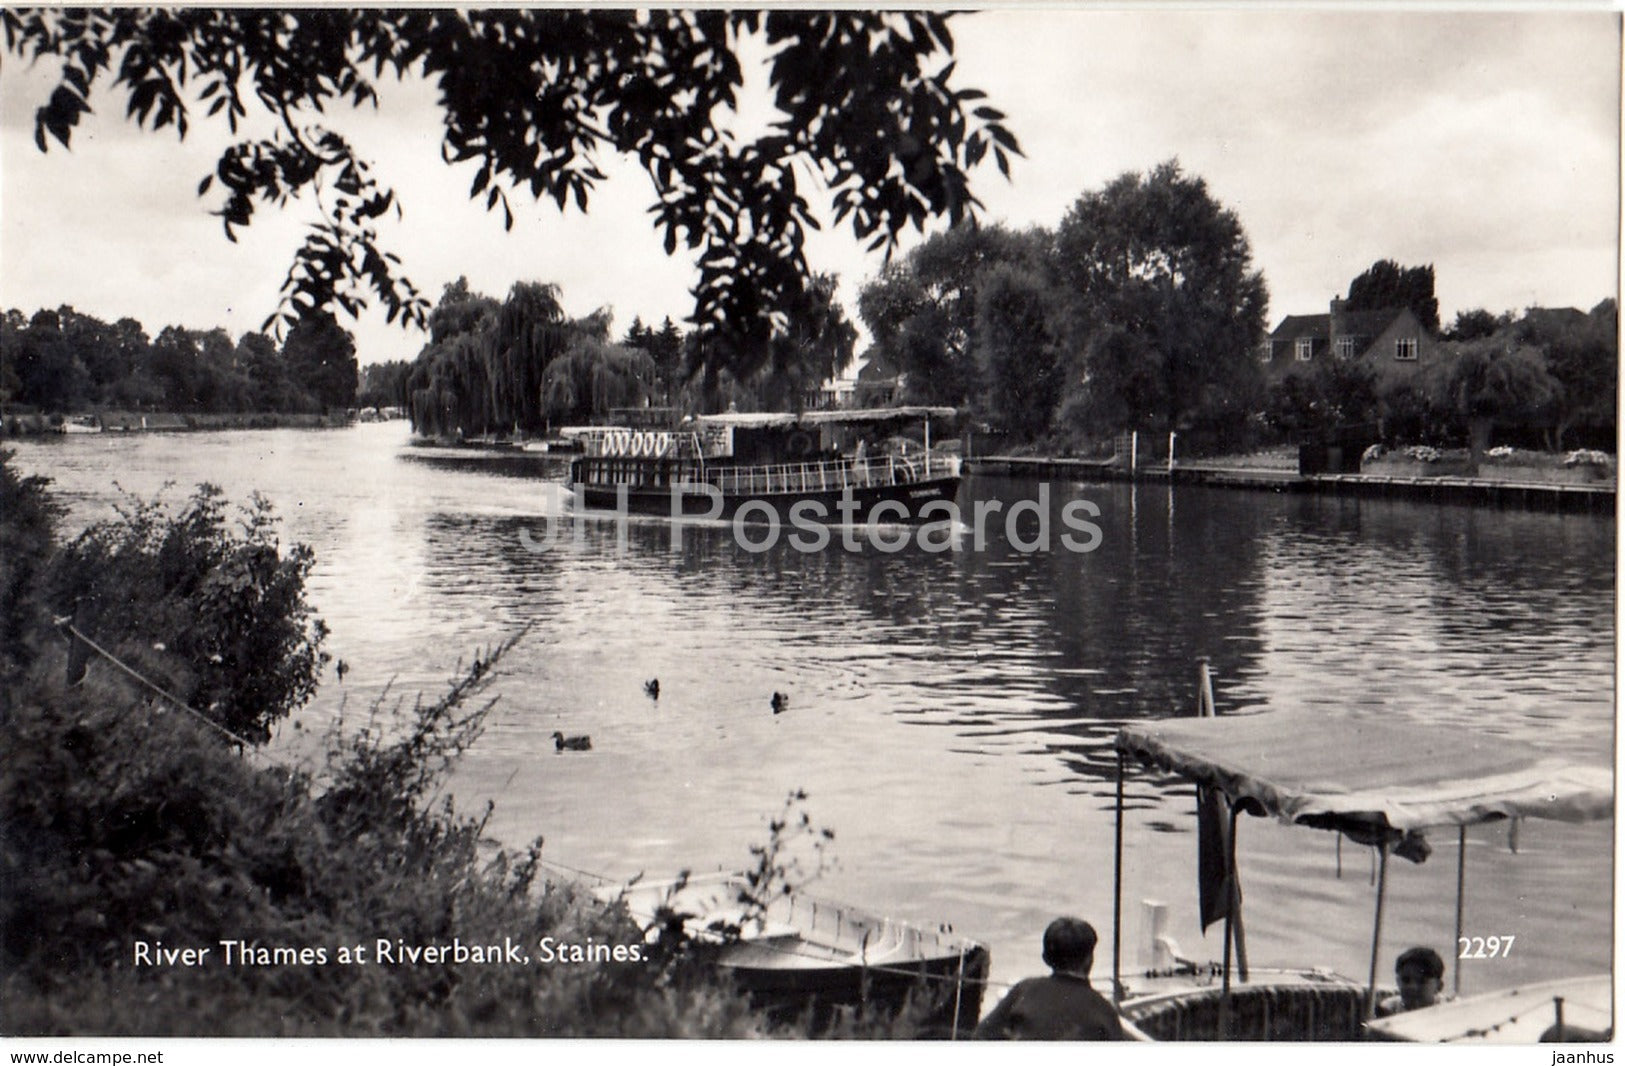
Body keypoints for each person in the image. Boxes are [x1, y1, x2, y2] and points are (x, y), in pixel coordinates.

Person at [974, 917, 1125, 1040]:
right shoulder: (1103, 1010)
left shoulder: (1024, 990)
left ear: (1045, 958)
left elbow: (982, 1035)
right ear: (1089, 960)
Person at [1376, 946, 1446, 1016]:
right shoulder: (1389, 1009)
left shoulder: (1448, 1010)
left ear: (1439, 986)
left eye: (1421, 981)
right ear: (1398, 982)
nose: (1412, 987)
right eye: (1406, 980)